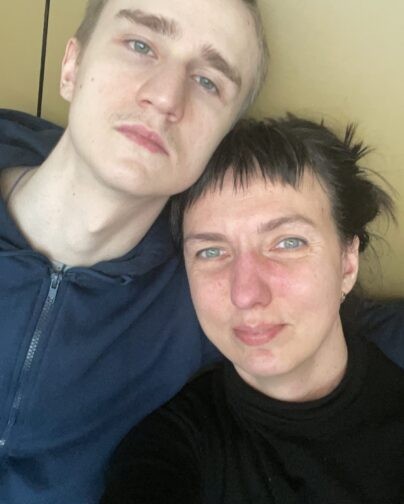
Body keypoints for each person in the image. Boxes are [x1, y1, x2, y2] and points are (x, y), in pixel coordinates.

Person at [0, 0, 269, 502]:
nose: (166, 97)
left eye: (208, 81)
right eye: (141, 45)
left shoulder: (213, 299)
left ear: (220, 141)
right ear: (71, 67)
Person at [101, 116, 404, 504]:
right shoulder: (169, 448)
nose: (245, 294)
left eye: (288, 243)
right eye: (211, 251)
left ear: (347, 262)